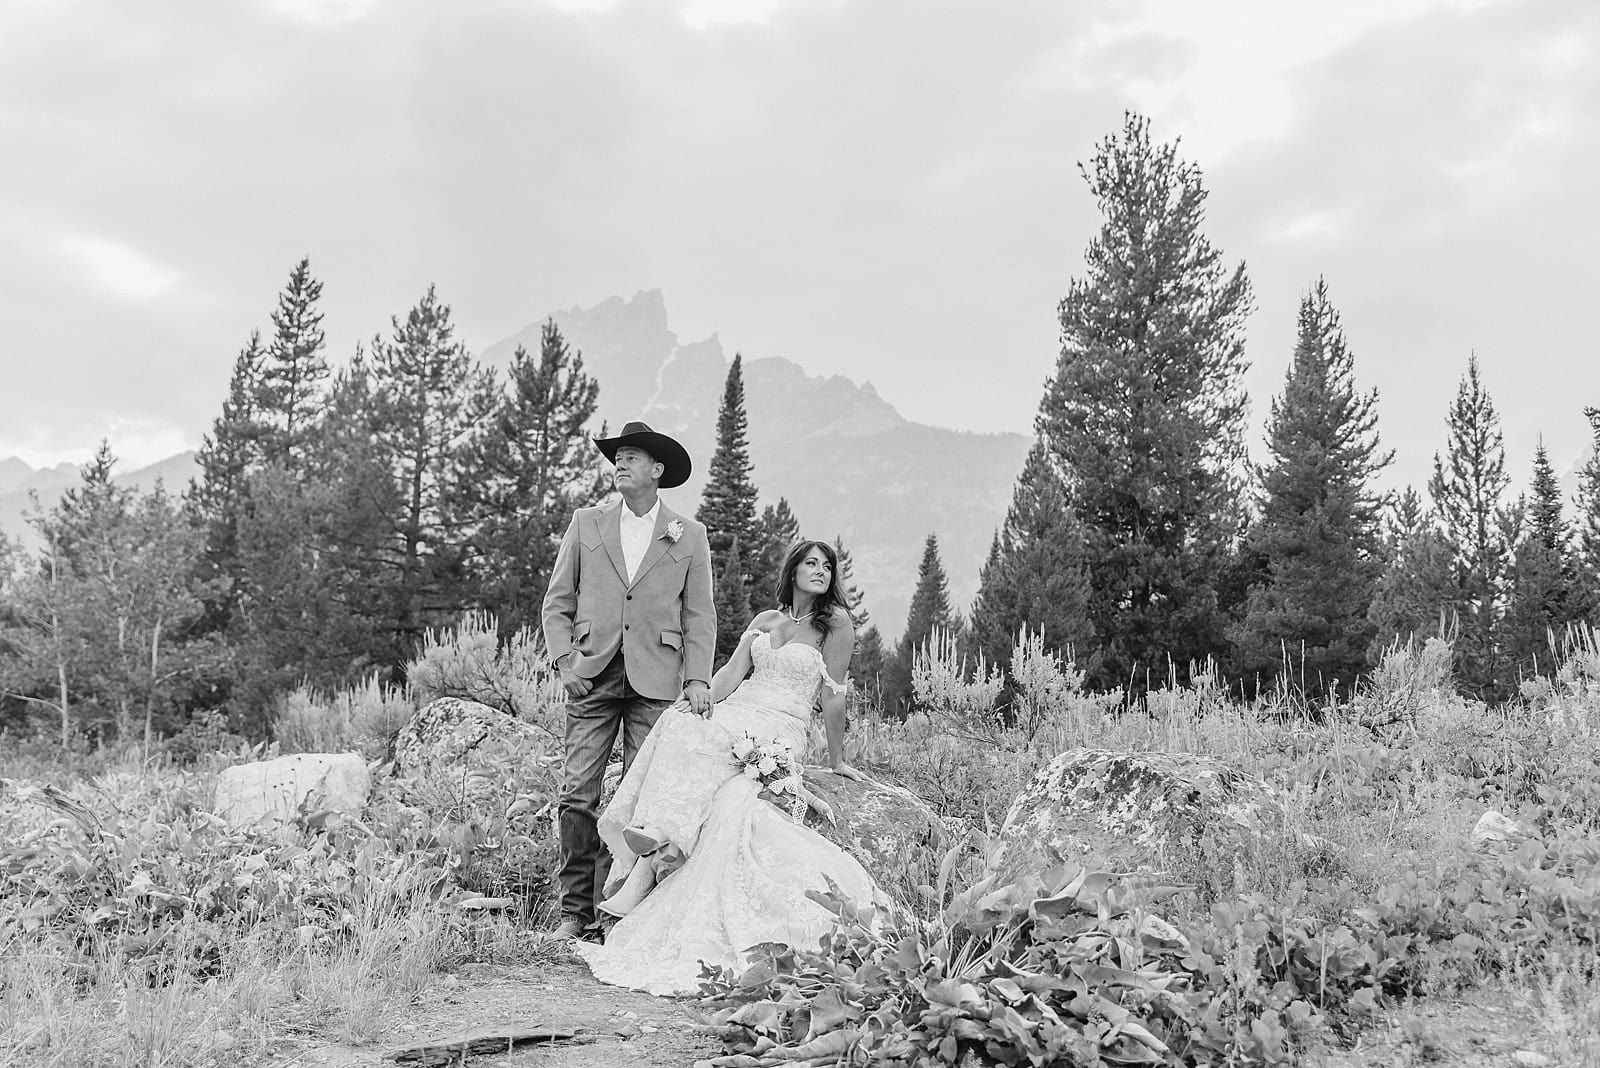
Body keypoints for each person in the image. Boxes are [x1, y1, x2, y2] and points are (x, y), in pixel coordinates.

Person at [572, 540, 884, 995]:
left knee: (712, 744)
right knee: (679, 724)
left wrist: (837, 760)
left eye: (827, 566)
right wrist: (698, 697)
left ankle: (653, 857)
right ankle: (662, 839)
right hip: (742, 707)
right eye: (810, 563)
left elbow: (833, 695)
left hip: (781, 724)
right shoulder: (766, 621)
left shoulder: (834, 625)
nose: (820, 571)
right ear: (793, 570)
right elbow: (729, 677)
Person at [541, 420, 716, 942]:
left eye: (633, 457)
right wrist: (564, 661)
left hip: (657, 680)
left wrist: (698, 679)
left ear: (657, 471)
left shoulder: (690, 535)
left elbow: (700, 615)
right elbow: (558, 601)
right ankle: (576, 910)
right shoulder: (586, 523)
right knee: (578, 795)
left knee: (640, 807)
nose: (620, 464)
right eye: (618, 457)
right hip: (590, 674)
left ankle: (621, 913)